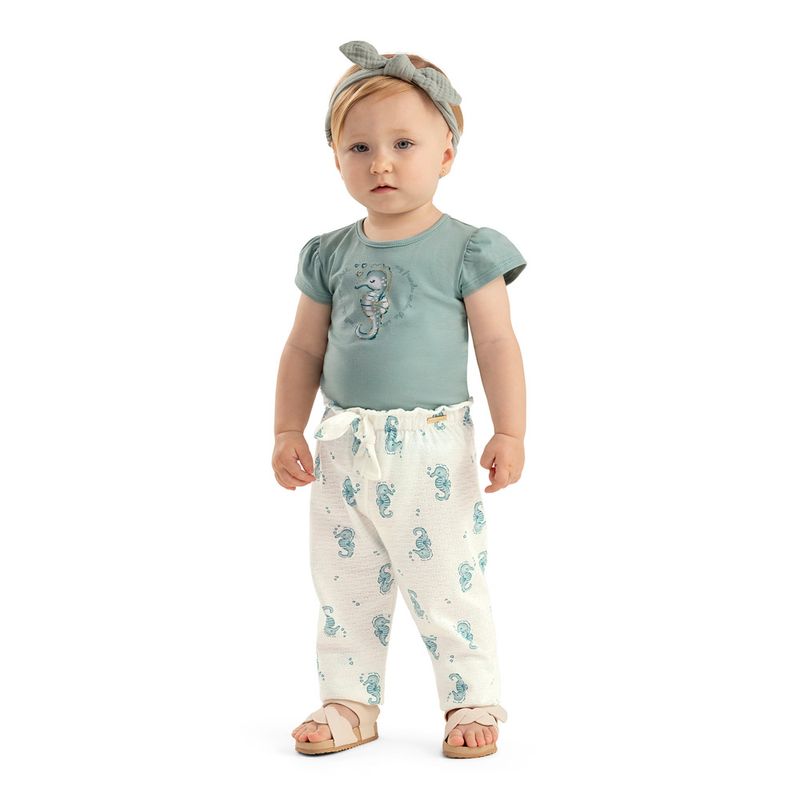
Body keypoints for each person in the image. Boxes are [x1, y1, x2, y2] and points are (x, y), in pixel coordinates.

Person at [274, 40, 527, 758]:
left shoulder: (469, 249)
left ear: (447, 153)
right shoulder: (329, 253)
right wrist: (287, 428)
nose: (380, 163)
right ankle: (350, 700)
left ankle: (471, 698)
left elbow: (497, 344)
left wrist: (510, 431)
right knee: (344, 582)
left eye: (403, 144)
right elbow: (303, 349)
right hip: (342, 444)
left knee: (448, 580)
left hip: (433, 446)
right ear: (335, 158)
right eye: (359, 147)